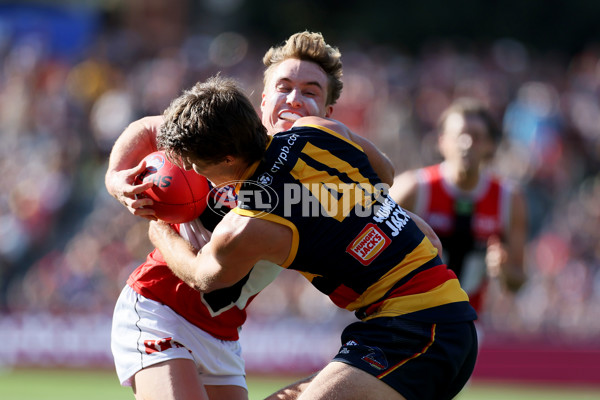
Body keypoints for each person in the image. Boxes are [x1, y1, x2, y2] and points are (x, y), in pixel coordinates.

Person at [106, 31, 408, 400]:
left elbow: (385, 175)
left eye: (310, 92)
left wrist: (339, 139)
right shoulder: (221, 136)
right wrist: (115, 177)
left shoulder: (320, 172)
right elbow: (151, 127)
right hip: (159, 307)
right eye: (284, 87)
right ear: (263, 99)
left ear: (328, 113)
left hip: (223, 333)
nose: (294, 99)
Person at [148, 75, 478, 400]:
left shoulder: (247, 224)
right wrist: (372, 212)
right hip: (421, 324)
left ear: (228, 159)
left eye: (195, 164)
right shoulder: (318, 129)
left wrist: (158, 225)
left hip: (419, 329)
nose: (194, 173)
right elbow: (385, 172)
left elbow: (201, 276)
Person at [389, 98, 527, 318]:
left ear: (491, 144)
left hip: (466, 323)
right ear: (441, 141)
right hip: (408, 317)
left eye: (476, 136)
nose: (467, 143)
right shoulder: (414, 189)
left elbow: (517, 282)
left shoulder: (509, 198)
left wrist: (503, 269)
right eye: (459, 135)